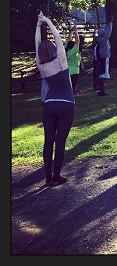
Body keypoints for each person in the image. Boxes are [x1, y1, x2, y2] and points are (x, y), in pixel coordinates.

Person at [35, 12, 75, 186]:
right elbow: (58, 39)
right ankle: (56, 177)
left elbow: (37, 44)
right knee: (60, 142)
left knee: (48, 141)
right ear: (53, 50)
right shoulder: (61, 62)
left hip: (49, 104)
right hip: (66, 104)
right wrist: (48, 21)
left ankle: (48, 177)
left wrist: (38, 25)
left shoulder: (42, 66)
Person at [96, 14, 113, 96]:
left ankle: (101, 90)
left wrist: (108, 23)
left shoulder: (100, 38)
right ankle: (102, 90)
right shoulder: (104, 39)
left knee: (102, 74)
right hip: (105, 57)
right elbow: (108, 32)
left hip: (103, 57)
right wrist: (110, 22)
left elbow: (106, 30)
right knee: (103, 74)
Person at [65, 23, 82, 95]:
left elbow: (69, 39)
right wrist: (76, 31)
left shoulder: (65, 51)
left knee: (67, 90)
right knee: (72, 91)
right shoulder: (74, 52)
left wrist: (71, 31)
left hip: (67, 72)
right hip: (75, 72)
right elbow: (78, 41)